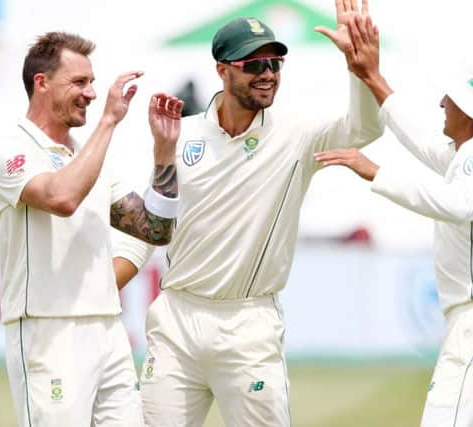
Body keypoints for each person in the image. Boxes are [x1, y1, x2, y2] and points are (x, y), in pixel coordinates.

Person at [114, 1, 383, 425]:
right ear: (222, 69)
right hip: (176, 320)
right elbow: (154, 220)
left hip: (248, 324)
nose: (268, 75)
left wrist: (361, 70)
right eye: (254, 64)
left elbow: (366, 129)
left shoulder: (295, 133)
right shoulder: (180, 133)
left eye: (275, 63)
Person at [314, 15, 473, 426]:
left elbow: (456, 203)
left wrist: (374, 171)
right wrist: (372, 76)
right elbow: (423, 141)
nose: (441, 104)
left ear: (470, 108)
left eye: (449, 97)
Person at [0, 31, 183, 427]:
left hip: (109, 329)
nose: (91, 93)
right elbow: (62, 198)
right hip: (47, 331)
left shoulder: (88, 159)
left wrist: (163, 152)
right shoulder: (12, 151)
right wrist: (110, 122)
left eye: (92, 82)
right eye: (79, 82)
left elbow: (156, 230)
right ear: (41, 83)